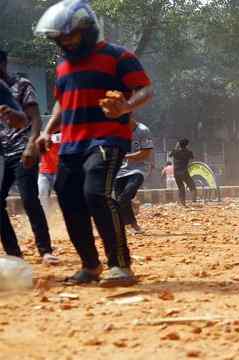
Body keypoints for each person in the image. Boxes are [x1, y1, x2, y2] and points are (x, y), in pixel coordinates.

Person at [35, 0, 154, 286]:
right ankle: (90, 266)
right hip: (71, 144)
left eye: (71, 35)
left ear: (87, 30)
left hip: (107, 138)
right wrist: (46, 132)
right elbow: (61, 105)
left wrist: (125, 108)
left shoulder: (117, 56)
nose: (66, 43)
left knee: (95, 193)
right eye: (60, 38)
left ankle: (120, 265)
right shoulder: (63, 68)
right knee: (67, 198)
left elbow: (145, 89)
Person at [0, 49, 58, 265]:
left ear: (3, 64)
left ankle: (45, 250)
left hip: (22, 150)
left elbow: (34, 119)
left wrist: (31, 146)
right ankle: (13, 254)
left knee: (29, 199)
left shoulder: (22, 85)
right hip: (2, 154)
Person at [114, 121, 153, 234]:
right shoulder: (115, 130)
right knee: (121, 200)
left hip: (139, 169)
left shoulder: (143, 130)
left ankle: (130, 222)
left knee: (124, 197)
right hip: (120, 171)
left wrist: (125, 156)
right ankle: (133, 225)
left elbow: (145, 153)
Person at [169, 139, 197, 206]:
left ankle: (183, 203)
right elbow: (192, 158)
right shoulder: (189, 152)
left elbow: (170, 155)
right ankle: (193, 200)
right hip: (184, 171)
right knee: (191, 185)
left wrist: (176, 147)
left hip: (176, 172)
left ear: (179, 144)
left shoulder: (175, 151)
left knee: (181, 187)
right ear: (187, 145)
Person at [38, 132, 61, 212]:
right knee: (42, 197)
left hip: (60, 172)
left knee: (65, 198)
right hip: (44, 172)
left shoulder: (66, 133)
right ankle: (45, 219)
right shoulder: (44, 134)